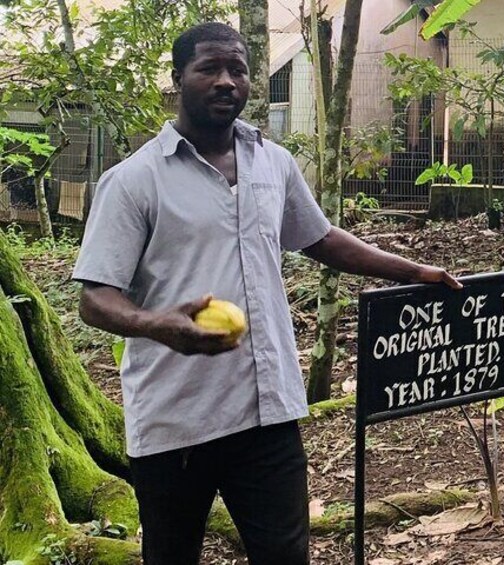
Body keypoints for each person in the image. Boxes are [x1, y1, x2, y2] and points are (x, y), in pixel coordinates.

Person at [73, 22, 459, 565]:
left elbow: (320, 238)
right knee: (171, 555)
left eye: (238, 69)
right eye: (209, 68)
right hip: (177, 422)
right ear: (178, 76)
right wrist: (158, 325)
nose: (226, 81)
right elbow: (95, 299)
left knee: (284, 555)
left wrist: (412, 271)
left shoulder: (270, 162)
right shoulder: (135, 180)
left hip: (268, 415)